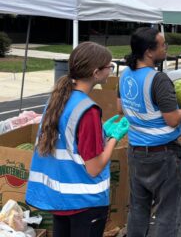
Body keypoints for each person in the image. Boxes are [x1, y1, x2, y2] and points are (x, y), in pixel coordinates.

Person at [26, 42, 130, 237]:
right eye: (109, 67)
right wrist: (114, 138)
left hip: (61, 200)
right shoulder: (88, 110)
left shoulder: (58, 99)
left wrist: (101, 132)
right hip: (85, 202)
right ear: (95, 72)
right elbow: (94, 167)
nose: (111, 71)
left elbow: (68, 140)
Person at [119, 27, 181, 237]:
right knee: (168, 212)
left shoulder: (125, 74)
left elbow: (120, 108)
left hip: (136, 151)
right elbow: (172, 119)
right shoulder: (158, 79)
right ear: (149, 52)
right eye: (163, 45)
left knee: (138, 208)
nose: (166, 48)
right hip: (163, 155)